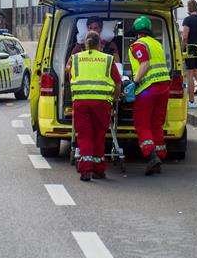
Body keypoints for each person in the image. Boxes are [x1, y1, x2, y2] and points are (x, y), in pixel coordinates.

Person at [69, 31, 122, 182]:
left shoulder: (76, 59)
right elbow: (117, 82)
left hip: (81, 102)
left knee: (85, 136)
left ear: (85, 44)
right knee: (99, 136)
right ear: (100, 44)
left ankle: (85, 170)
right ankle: (98, 170)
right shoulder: (108, 59)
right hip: (101, 103)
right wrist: (114, 99)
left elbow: (71, 79)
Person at [126, 16, 171, 176]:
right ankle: (159, 156)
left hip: (148, 89)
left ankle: (151, 155)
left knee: (142, 125)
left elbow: (145, 64)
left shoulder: (138, 45)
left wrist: (134, 82)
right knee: (156, 124)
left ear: (137, 32)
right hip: (164, 86)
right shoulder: (157, 43)